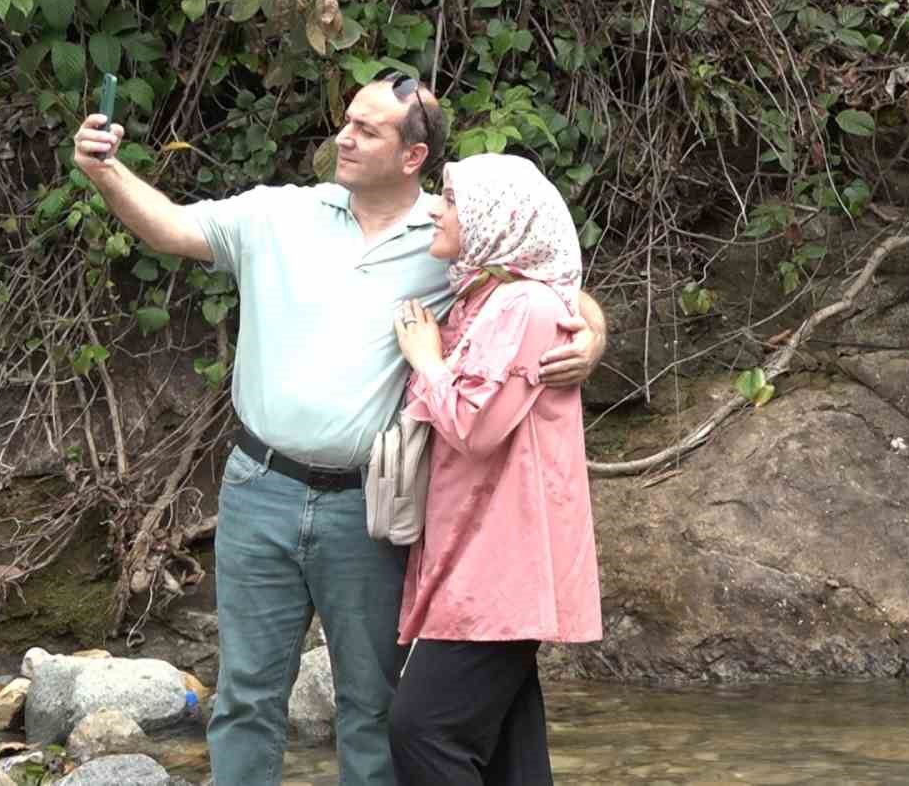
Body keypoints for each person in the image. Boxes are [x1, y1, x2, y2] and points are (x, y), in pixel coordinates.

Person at [70, 73, 607, 786]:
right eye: (345, 121)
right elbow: (170, 226)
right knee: (245, 698)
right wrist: (105, 170)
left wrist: (592, 334)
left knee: (372, 704)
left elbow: (543, 282)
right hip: (259, 487)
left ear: (412, 156)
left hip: (369, 506)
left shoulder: (451, 235)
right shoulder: (279, 215)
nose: (343, 138)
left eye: (367, 128)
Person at [387, 153, 604, 786]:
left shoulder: (524, 307)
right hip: (479, 555)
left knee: (423, 730)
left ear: (495, 221)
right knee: (512, 751)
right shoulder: (481, 298)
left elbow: (474, 428)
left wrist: (426, 359)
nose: (435, 207)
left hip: (500, 564)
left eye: (451, 201)